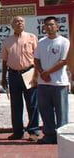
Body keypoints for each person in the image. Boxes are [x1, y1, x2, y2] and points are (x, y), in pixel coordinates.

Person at [0, 16, 39, 142]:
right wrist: (3, 77)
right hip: (13, 75)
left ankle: (33, 131)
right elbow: (5, 60)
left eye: (21, 21)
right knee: (16, 105)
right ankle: (17, 131)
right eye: (16, 22)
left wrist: (37, 74)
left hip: (29, 73)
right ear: (12, 26)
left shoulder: (32, 37)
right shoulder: (8, 41)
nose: (19, 23)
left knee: (32, 104)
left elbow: (38, 58)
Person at [34, 16, 70, 144]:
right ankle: (49, 135)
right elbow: (36, 59)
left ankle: (62, 136)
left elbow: (64, 60)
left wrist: (47, 72)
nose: (49, 27)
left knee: (61, 112)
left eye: (51, 25)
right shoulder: (42, 42)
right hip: (43, 83)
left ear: (57, 26)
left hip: (59, 83)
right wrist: (41, 73)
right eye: (46, 25)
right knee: (45, 110)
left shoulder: (64, 42)